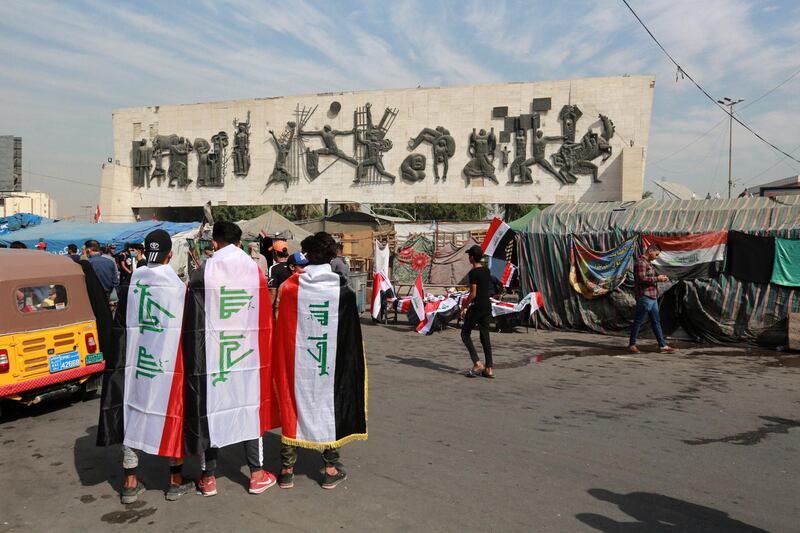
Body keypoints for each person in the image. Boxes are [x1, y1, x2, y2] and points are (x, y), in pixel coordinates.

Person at [96, 229, 193, 503]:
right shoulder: (177, 286)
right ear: (170, 254)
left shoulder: (131, 282)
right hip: (169, 364)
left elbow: (120, 326)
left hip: (135, 363)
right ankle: (175, 481)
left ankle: (129, 483)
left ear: (143, 253)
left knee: (133, 412)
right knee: (174, 414)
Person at [184, 221, 278, 497]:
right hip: (247, 353)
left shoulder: (206, 269)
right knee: (248, 408)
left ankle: (209, 478)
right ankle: (257, 475)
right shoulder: (254, 269)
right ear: (238, 241)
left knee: (212, 410)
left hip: (213, 354)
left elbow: (193, 311)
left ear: (215, 242)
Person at [274, 232, 367, 490]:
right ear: (333, 255)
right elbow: (350, 338)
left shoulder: (291, 287)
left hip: (297, 364)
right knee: (330, 408)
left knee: (293, 405)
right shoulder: (343, 291)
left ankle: (286, 471)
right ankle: (329, 468)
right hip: (330, 363)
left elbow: (281, 325)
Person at [628, 244, 677, 354]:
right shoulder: (641, 262)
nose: (657, 257)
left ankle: (662, 346)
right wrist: (657, 278)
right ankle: (632, 344)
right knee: (638, 321)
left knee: (656, 322)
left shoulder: (648, 263)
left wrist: (660, 278)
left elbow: (649, 277)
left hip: (652, 296)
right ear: (650, 251)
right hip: (645, 296)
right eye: (656, 254)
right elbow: (641, 278)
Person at [460, 245, 494, 378]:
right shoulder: (487, 271)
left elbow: (473, 293)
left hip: (477, 306)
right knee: (485, 336)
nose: (469, 257)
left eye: (469, 256)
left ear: (472, 258)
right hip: (487, 305)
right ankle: (489, 368)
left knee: (465, 333)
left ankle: (477, 363)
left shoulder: (473, 273)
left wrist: (464, 306)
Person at [268, 239, 291, 305]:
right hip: (293, 304)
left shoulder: (273, 268)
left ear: (275, 252)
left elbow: (272, 292)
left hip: (279, 306)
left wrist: (268, 309)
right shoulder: (293, 266)